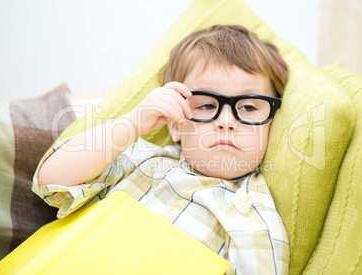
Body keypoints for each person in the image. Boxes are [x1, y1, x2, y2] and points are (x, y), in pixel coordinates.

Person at [33, 25, 289, 274]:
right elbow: (50, 180)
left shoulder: (255, 214)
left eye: (248, 107)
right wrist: (133, 123)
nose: (226, 122)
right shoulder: (140, 159)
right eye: (207, 105)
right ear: (175, 124)